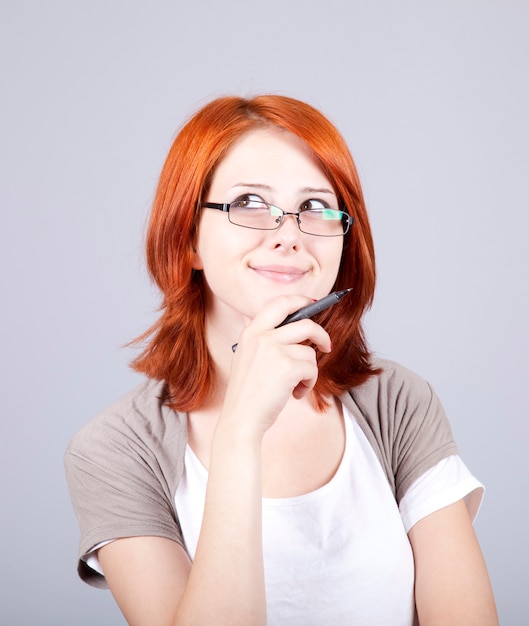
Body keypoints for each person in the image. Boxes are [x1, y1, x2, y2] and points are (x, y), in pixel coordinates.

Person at [65, 95, 498, 625]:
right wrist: (241, 431)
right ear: (188, 238)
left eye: (316, 208)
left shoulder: (397, 402)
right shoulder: (114, 450)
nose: (290, 236)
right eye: (249, 202)